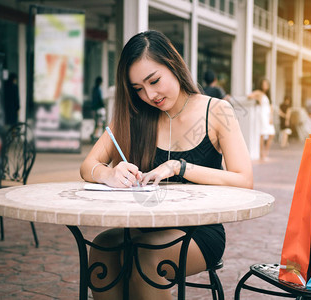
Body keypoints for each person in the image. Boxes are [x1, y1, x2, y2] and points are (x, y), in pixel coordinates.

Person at [80, 30, 253, 299]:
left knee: (145, 259)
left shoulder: (217, 111)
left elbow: (244, 180)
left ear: (173, 64)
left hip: (199, 230)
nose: (149, 95)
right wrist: (108, 174)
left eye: (154, 80)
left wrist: (178, 167)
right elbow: (88, 164)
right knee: (102, 248)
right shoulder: (135, 115)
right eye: (138, 88)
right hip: (143, 225)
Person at [248, 78, 275, 162]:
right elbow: (249, 96)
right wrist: (257, 98)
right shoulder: (259, 93)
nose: (265, 86)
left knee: (271, 134)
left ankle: (265, 152)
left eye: (266, 84)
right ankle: (262, 154)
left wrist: (271, 117)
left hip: (267, 115)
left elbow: (271, 108)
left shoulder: (267, 95)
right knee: (262, 134)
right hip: (262, 115)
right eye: (264, 84)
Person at [91, 76, 106, 141]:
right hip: (99, 108)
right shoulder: (98, 89)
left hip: (94, 108)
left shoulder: (94, 89)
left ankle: (94, 135)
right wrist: (103, 104)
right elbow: (100, 99)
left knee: (96, 123)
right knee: (99, 123)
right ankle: (96, 136)